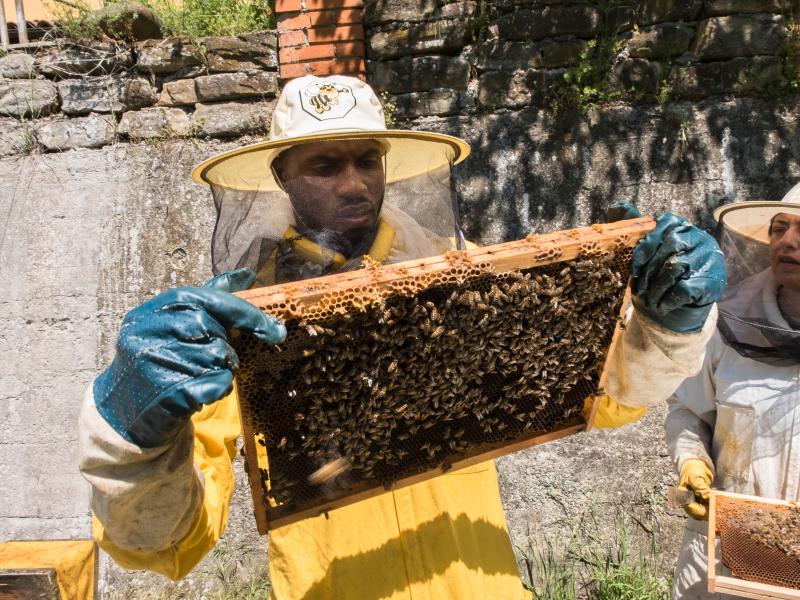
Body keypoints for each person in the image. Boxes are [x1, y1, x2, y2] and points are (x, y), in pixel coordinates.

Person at [78, 74, 726, 599]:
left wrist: (664, 329)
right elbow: (161, 545)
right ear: (281, 176)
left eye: (367, 160)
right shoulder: (247, 327)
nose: (354, 183)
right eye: (325, 165)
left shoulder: (458, 275)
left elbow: (601, 398)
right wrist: (132, 439)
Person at [666, 186, 800, 599]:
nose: (788, 242)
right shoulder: (727, 323)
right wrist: (691, 459)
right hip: (723, 552)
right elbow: (689, 410)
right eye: (780, 228)